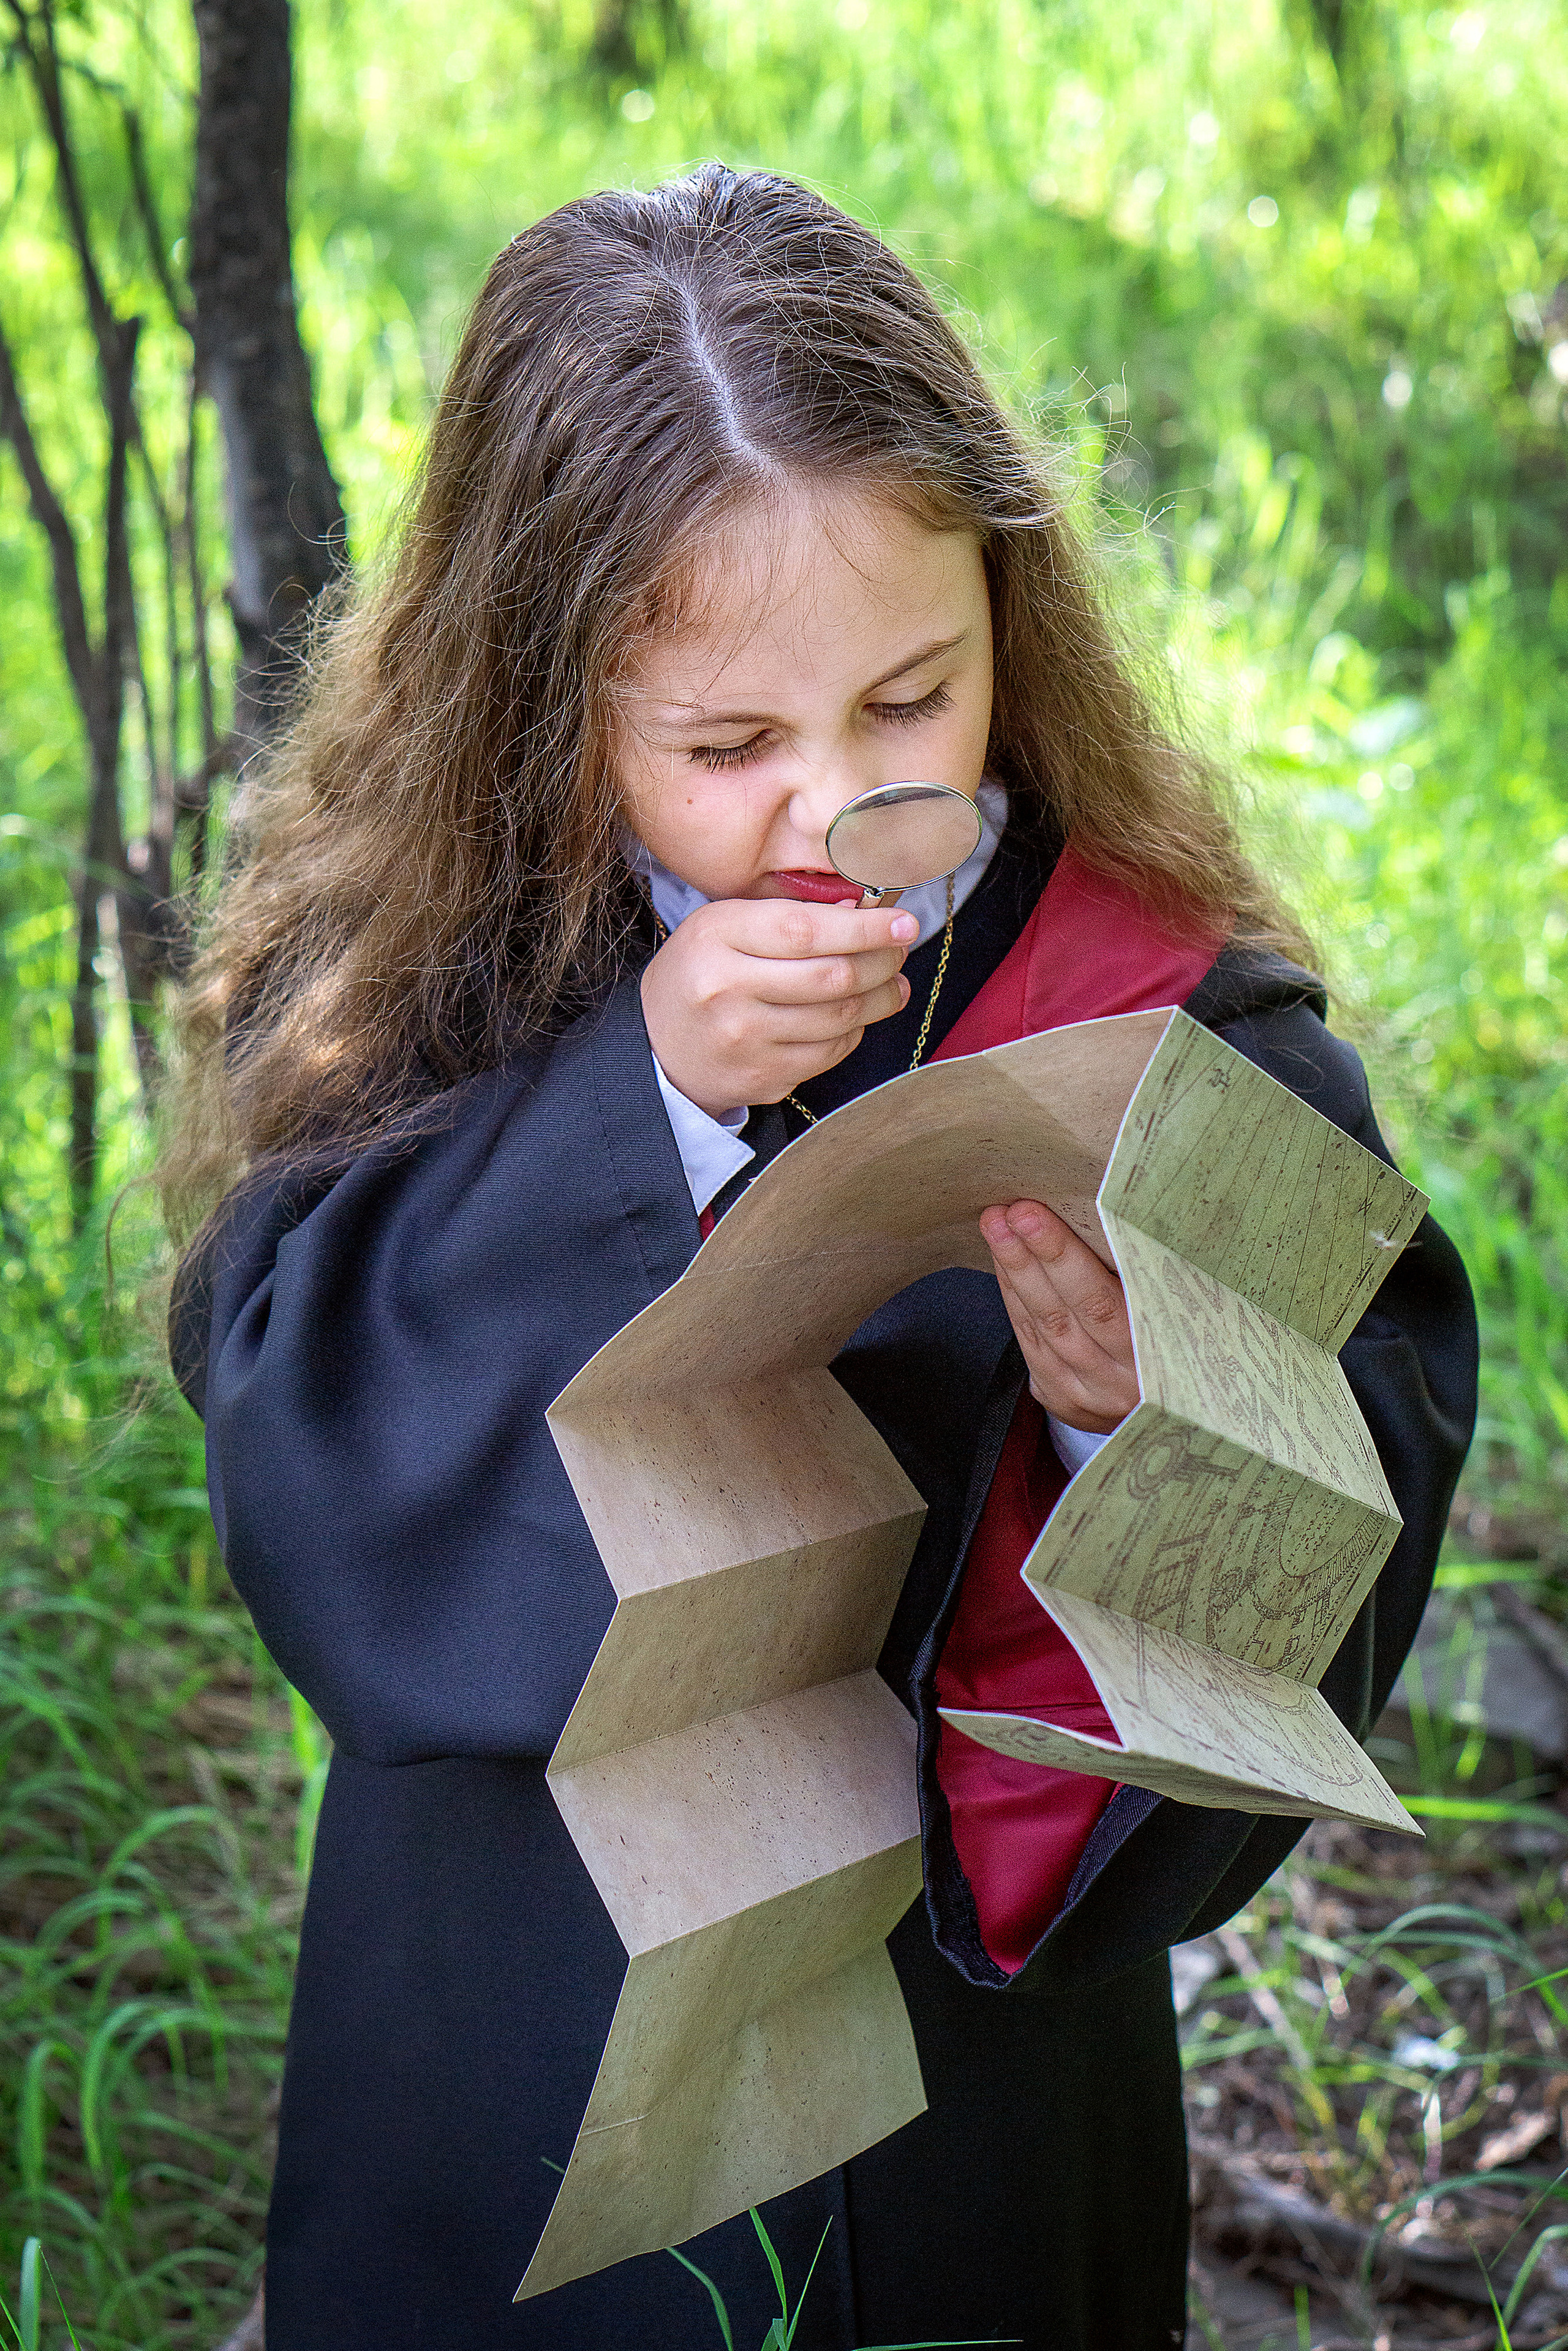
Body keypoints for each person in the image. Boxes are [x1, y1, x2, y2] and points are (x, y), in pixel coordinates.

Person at [161, 165, 1477, 2351]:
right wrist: (645, 1104)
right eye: (730, 746)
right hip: (526, 2013)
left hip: (976, 2089)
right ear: (545, 700)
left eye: (913, 699)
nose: (839, 807)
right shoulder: (417, 976)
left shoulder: (1151, 1011)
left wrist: (1143, 1426)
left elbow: (1349, 1474)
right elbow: (313, 1459)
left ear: (1006, 617)